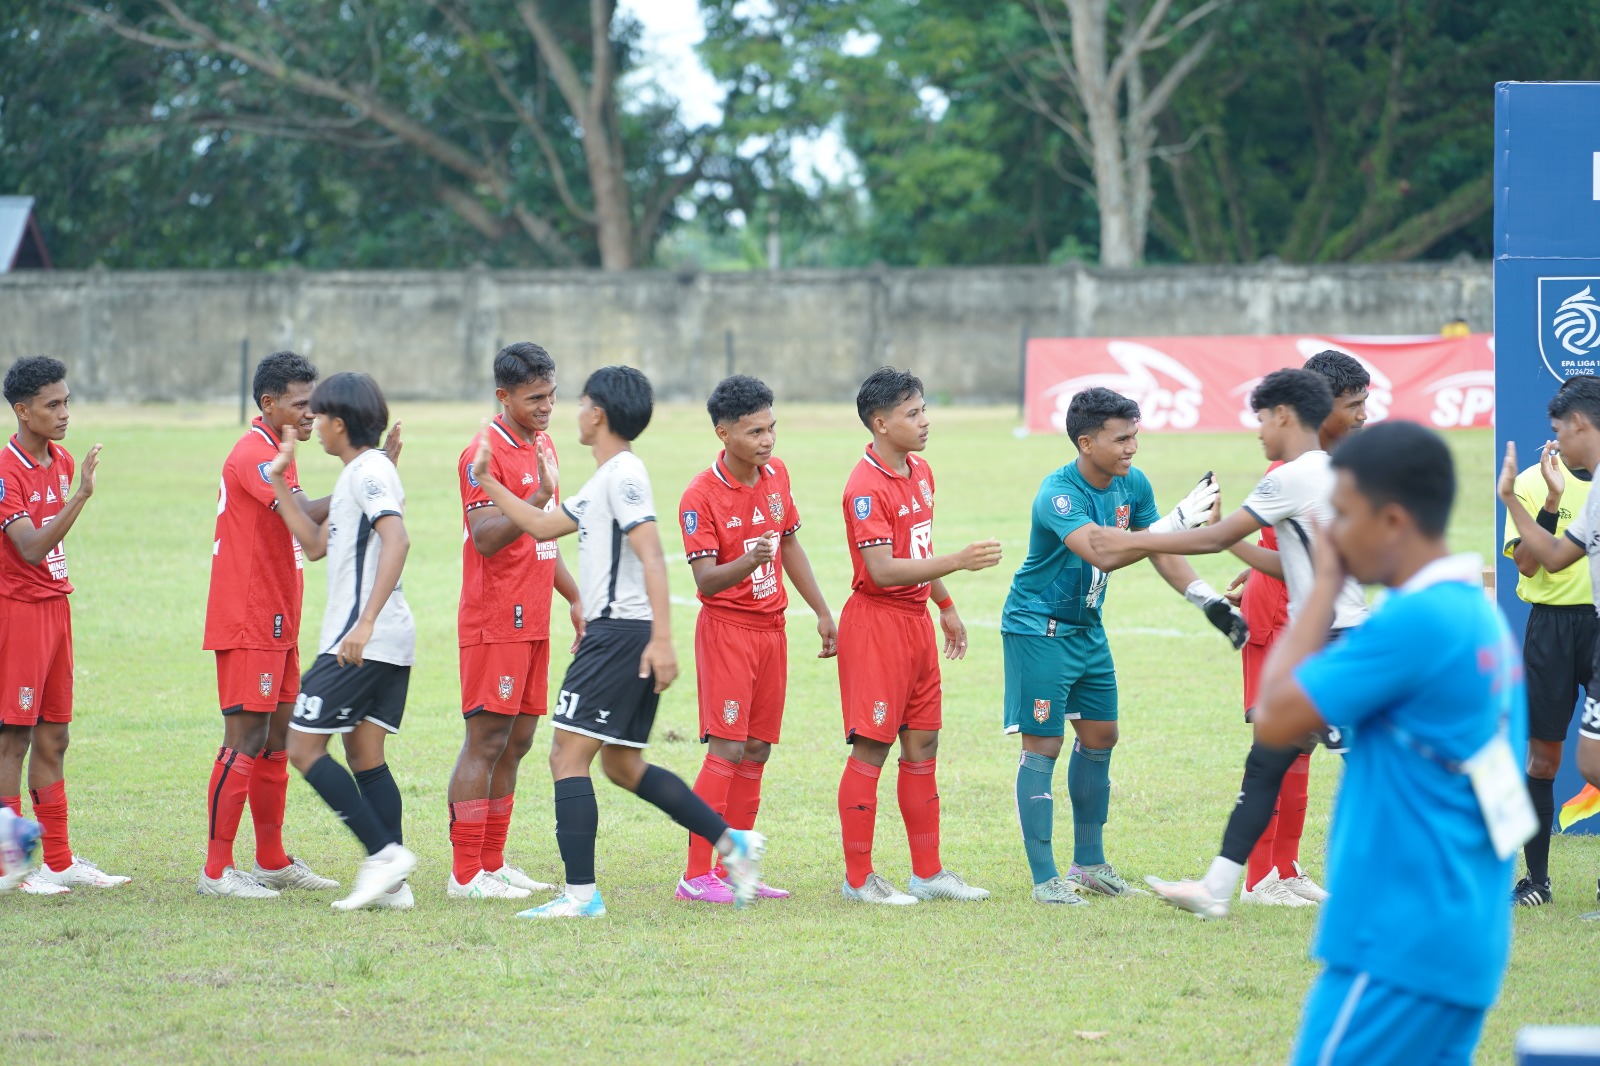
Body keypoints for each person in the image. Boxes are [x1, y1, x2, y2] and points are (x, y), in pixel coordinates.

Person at [1266, 422, 1522, 1065]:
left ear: (1392, 520)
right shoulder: (1478, 615)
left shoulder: (1416, 622)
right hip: (1462, 936)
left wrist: (1320, 583)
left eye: (1342, 515)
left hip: (1396, 945)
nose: (1334, 534)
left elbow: (1273, 716)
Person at [468, 365, 766, 918]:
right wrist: (489, 484)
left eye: (579, 402)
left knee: (566, 755)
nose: (571, 411)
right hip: (626, 635)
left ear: (598, 413)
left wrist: (662, 639)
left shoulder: (624, 475)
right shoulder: (607, 476)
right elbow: (541, 526)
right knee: (623, 766)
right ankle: (733, 843)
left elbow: (652, 552)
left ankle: (581, 896)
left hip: (619, 635)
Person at [1095, 370, 1365, 915]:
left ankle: (1446, 876)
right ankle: (1217, 888)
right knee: (1267, 765)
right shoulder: (1335, 471)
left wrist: (1135, 539)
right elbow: (1289, 561)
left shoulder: (1287, 477)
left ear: (1285, 415)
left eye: (1262, 419)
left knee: (1381, 771)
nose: (1259, 432)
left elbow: (1217, 536)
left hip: (1334, 647)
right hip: (1329, 640)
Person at [1003, 385, 1248, 905]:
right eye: (1121, 439)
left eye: (1135, 436)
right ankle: (1046, 878)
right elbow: (1102, 552)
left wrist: (1207, 600)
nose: (1132, 447)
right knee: (1043, 746)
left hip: (1088, 628)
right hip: (1038, 628)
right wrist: (1177, 523)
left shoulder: (1131, 483)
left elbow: (1158, 548)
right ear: (1086, 442)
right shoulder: (1059, 494)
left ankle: (1089, 864)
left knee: (1101, 737)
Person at [834, 367, 1003, 906]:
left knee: (923, 742)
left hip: (916, 625)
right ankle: (858, 879)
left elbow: (916, 549)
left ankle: (928, 874)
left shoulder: (922, 472)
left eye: (924, 409)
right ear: (881, 424)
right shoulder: (863, 487)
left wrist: (945, 605)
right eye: (913, 414)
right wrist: (956, 563)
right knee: (872, 747)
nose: (926, 421)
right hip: (876, 626)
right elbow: (882, 570)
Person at [199, 351, 363, 899]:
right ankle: (217, 870)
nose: (312, 414)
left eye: (314, 404)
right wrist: (364, 477)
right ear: (269, 404)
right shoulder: (253, 454)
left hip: (277, 617)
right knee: (244, 736)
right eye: (301, 404)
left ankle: (270, 858)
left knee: (277, 737)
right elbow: (304, 514)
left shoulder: (280, 450)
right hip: (248, 618)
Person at [675, 375, 835, 904]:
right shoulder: (700, 496)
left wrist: (821, 610)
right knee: (727, 746)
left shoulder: (777, 475)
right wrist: (748, 559)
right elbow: (704, 581)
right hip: (728, 631)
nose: (767, 441)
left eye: (771, 428)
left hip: (773, 630)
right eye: (753, 432)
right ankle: (697, 874)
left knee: (758, 749)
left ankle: (735, 866)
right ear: (723, 433)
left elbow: (790, 544)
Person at [1221, 349, 1372, 903]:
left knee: (1302, 750)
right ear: (1316, 407)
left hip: (1313, 623)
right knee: (1279, 747)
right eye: (1353, 404)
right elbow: (1282, 559)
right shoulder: (1290, 468)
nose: (1363, 415)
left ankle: (1285, 868)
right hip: (1280, 624)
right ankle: (1258, 876)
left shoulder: (1336, 465)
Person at [268, 373, 418, 912]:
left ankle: (383, 856)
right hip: (385, 639)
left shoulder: (369, 470)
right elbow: (312, 545)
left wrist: (365, 622)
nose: (312, 424)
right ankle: (394, 887)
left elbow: (396, 537)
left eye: (318, 415)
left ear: (338, 423)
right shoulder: (362, 471)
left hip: (362, 640)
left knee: (302, 746)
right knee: (364, 751)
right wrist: (280, 479)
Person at [447, 342, 581, 901]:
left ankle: (494, 862)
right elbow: (486, 536)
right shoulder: (481, 456)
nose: (547, 407)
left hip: (536, 616)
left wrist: (575, 597)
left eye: (551, 395)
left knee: (520, 740)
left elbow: (544, 537)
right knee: (487, 738)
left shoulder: (544, 442)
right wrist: (537, 494)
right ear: (503, 396)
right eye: (534, 399)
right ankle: (464, 874)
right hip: (494, 618)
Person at [0, 356, 129, 893]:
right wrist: (80, 496)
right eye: (52, 404)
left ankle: (58, 859)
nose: (64, 413)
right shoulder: (5, 471)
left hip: (57, 608)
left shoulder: (60, 459)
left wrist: (73, 488)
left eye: (67, 401)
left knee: (56, 736)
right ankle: (11, 864)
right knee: (14, 739)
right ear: (23, 410)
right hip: (19, 612)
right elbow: (29, 548)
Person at [1499, 375, 1600, 910]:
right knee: (1543, 759)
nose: (1557, 439)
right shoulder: (1541, 479)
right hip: (1552, 629)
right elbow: (1533, 561)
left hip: (1599, 624)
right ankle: (1537, 880)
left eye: (1561, 427)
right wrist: (1547, 499)